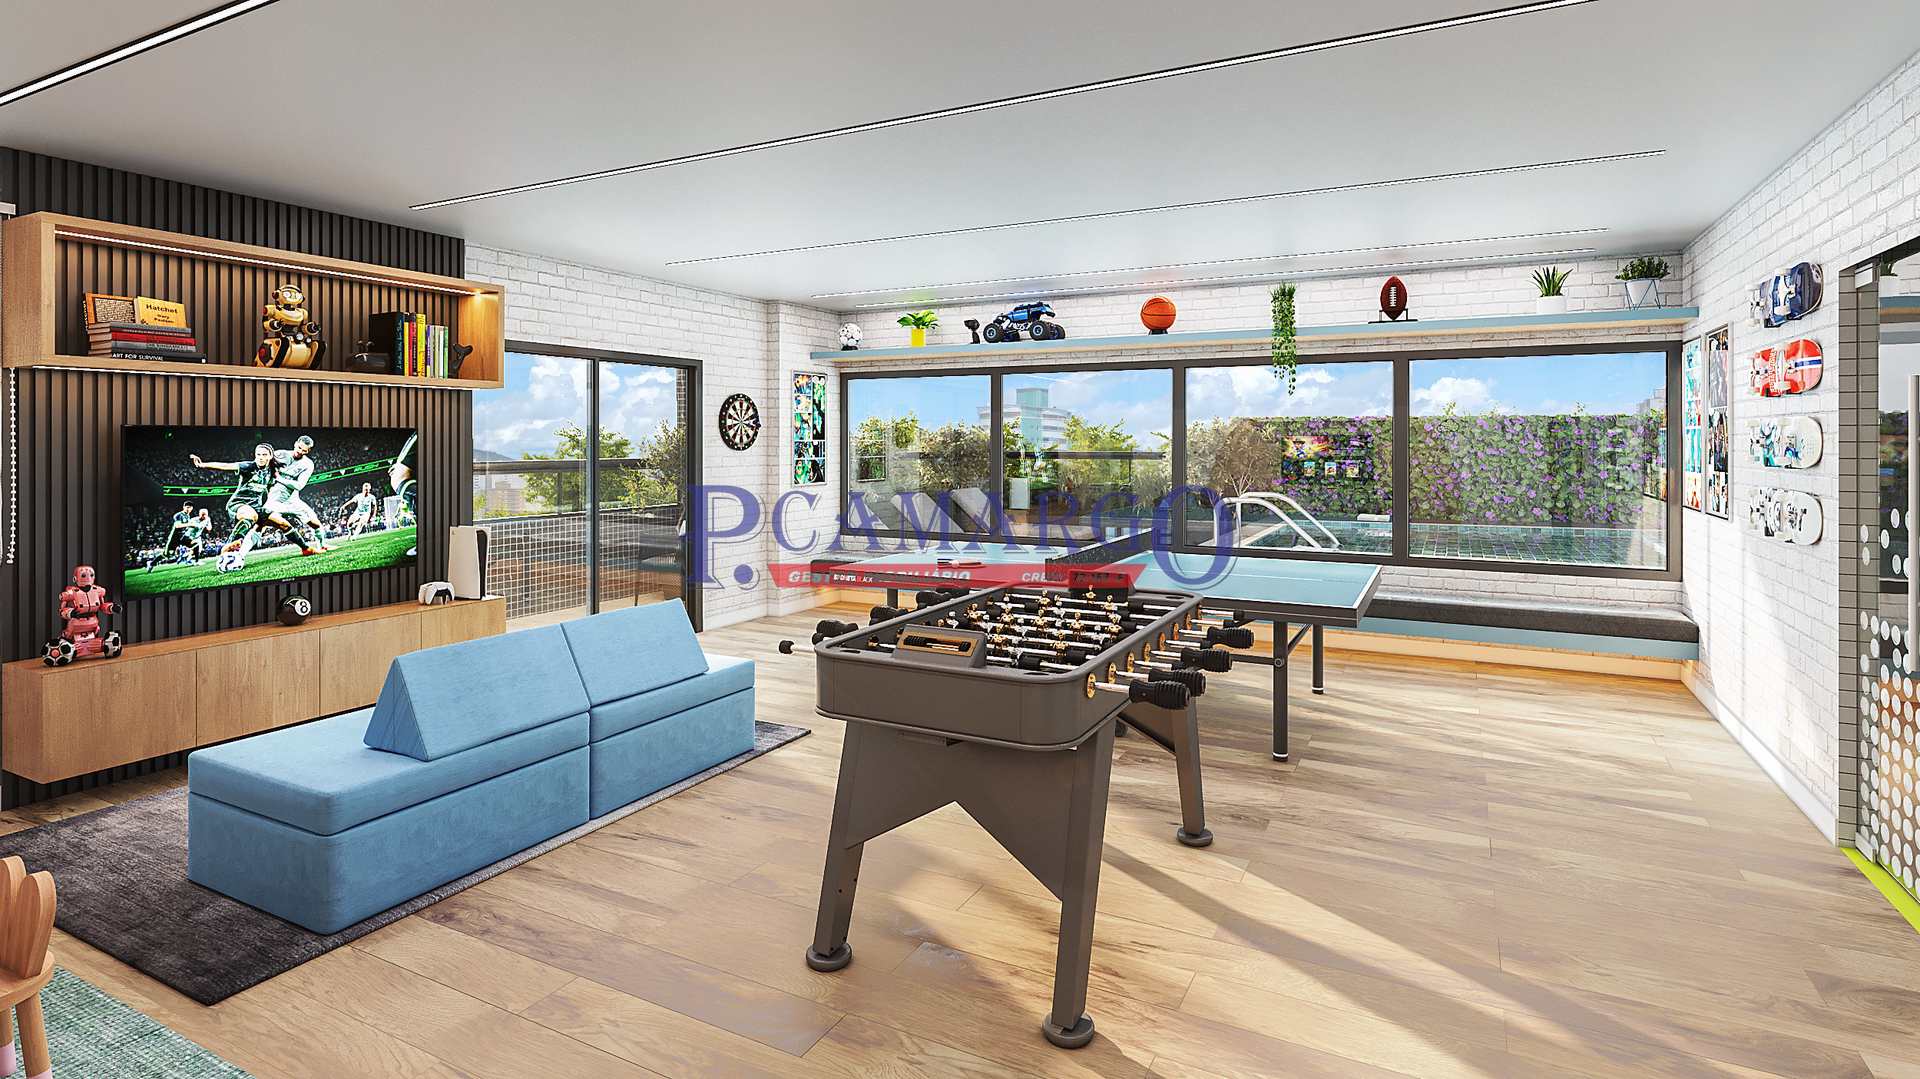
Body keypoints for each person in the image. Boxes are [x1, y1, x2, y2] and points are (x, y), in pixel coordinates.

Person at [192, 443, 280, 568]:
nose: (260, 457)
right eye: (258, 454)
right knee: (251, 516)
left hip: (256, 506)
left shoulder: (271, 471)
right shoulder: (248, 466)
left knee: (280, 523)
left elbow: (268, 488)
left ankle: (304, 546)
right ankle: (232, 543)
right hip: (239, 503)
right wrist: (203, 465)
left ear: (270, 456)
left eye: (264, 455)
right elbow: (226, 466)